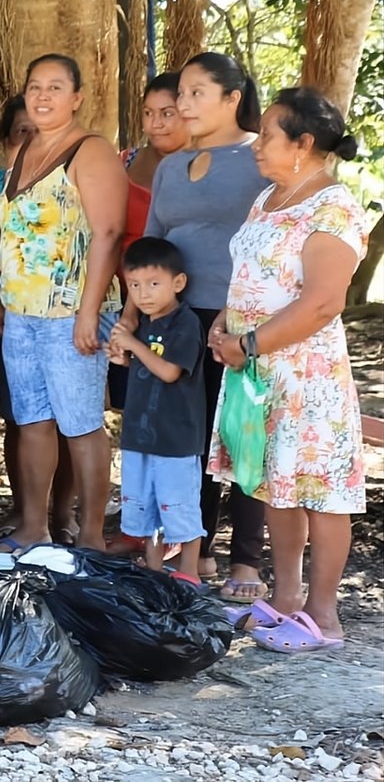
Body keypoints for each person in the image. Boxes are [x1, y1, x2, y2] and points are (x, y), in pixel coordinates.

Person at [207, 87, 365, 652]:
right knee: (277, 482)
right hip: (258, 368)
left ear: (303, 143)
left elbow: (322, 302)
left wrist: (247, 341)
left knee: (321, 490)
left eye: (269, 132)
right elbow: (251, 273)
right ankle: (288, 599)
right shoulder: (270, 197)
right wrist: (225, 322)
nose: (257, 142)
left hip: (306, 374)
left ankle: (325, 617)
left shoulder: (334, 208)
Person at [137, 51, 268, 601]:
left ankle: (247, 561)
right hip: (176, 319)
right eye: (181, 94)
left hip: (240, 318)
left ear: (232, 99)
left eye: (196, 94)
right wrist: (130, 315)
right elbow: (150, 245)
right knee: (190, 434)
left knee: (241, 434)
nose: (183, 105)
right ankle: (200, 547)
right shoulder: (169, 165)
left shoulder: (263, 156)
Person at [0, 54, 127, 553]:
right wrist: (2, 298)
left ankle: (90, 537)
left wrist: (90, 312)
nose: (42, 96)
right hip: (23, 311)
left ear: (77, 97)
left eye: (54, 87)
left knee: (82, 424)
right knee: (32, 422)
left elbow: (110, 234)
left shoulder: (90, 151)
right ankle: (33, 527)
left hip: (72, 311)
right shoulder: (22, 150)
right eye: (34, 86)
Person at [107, 237, 205, 581]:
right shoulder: (144, 324)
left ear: (178, 283)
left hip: (175, 438)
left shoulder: (184, 323)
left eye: (153, 284)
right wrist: (123, 356)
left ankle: (188, 571)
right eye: (134, 285)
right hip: (139, 433)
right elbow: (142, 363)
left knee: (178, 505)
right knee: (142, 503)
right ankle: (152, 568)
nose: (143, 294)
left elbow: (169, 370)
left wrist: (133, 344)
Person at [123, 73, 187, 244]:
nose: (155, 123)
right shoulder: (123, 162)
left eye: (167, 114)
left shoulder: (208, 165)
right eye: (148, 113)